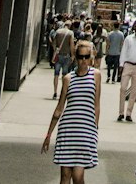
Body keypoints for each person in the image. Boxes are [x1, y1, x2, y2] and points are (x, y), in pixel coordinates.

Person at [43, 39, 100, 181]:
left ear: (91, 57)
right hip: (68, 131)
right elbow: (59, 109)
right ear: (76, 57)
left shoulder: (96, 75)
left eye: (87, 57)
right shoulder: (68, 78)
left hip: (85, 131)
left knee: (78, 175)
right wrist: (49, 134)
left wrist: (95, 129)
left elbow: (97, 105)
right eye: (81, 57)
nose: (84, 61)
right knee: (65, 176)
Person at [116, 20, 136, 121]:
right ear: (134, 29)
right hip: (128, 65)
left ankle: (129, 113)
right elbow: (124, 52)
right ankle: (121, 112)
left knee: (134, 92)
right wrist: (121, 65)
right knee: (123, 88)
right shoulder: (128, 39)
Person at [51, 17, 76, 99]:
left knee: (56, 74)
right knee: (65, 75)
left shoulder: (58, 32)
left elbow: (54, 43)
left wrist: (55, 51)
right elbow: (72, 45)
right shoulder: (70, 33)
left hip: (58, 55)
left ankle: (54, 92)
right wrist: (73, 55)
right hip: (66, 56)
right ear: (70, 26)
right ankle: (63, 92)